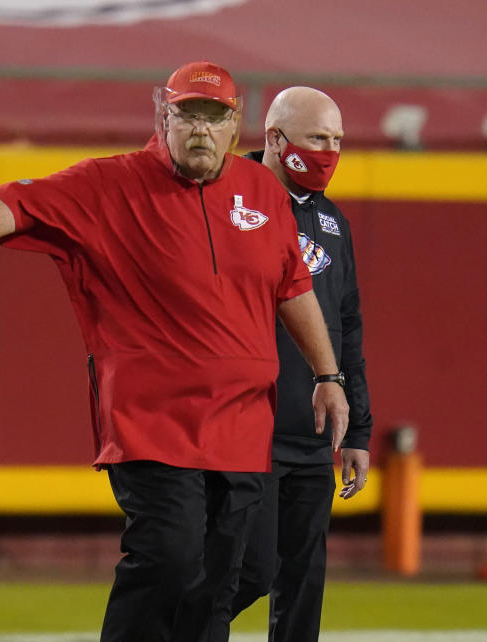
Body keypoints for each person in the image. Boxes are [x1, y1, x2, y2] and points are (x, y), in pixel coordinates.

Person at [0, 60, 350, 641]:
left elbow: (293, 287)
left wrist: (329, 375)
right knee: (169, 554)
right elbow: (21, 202)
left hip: (243, 424)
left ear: (235, 125)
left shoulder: (260, 192)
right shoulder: (110, 184)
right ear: (162, 114)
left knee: (234, 576)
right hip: (153, 423)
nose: (201, 129)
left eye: (214, 118)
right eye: (187, 115)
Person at [215, 86, 373, 642]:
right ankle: (167, 629)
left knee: (303, 584)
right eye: (317, 139)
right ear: (276, 139)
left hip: (311, 435)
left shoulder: (333, 222)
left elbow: (346, 329)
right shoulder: (226, 197)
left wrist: (360, 430)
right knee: (249, 569)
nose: (329, 151)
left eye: (337, 140)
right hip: (246, 429)